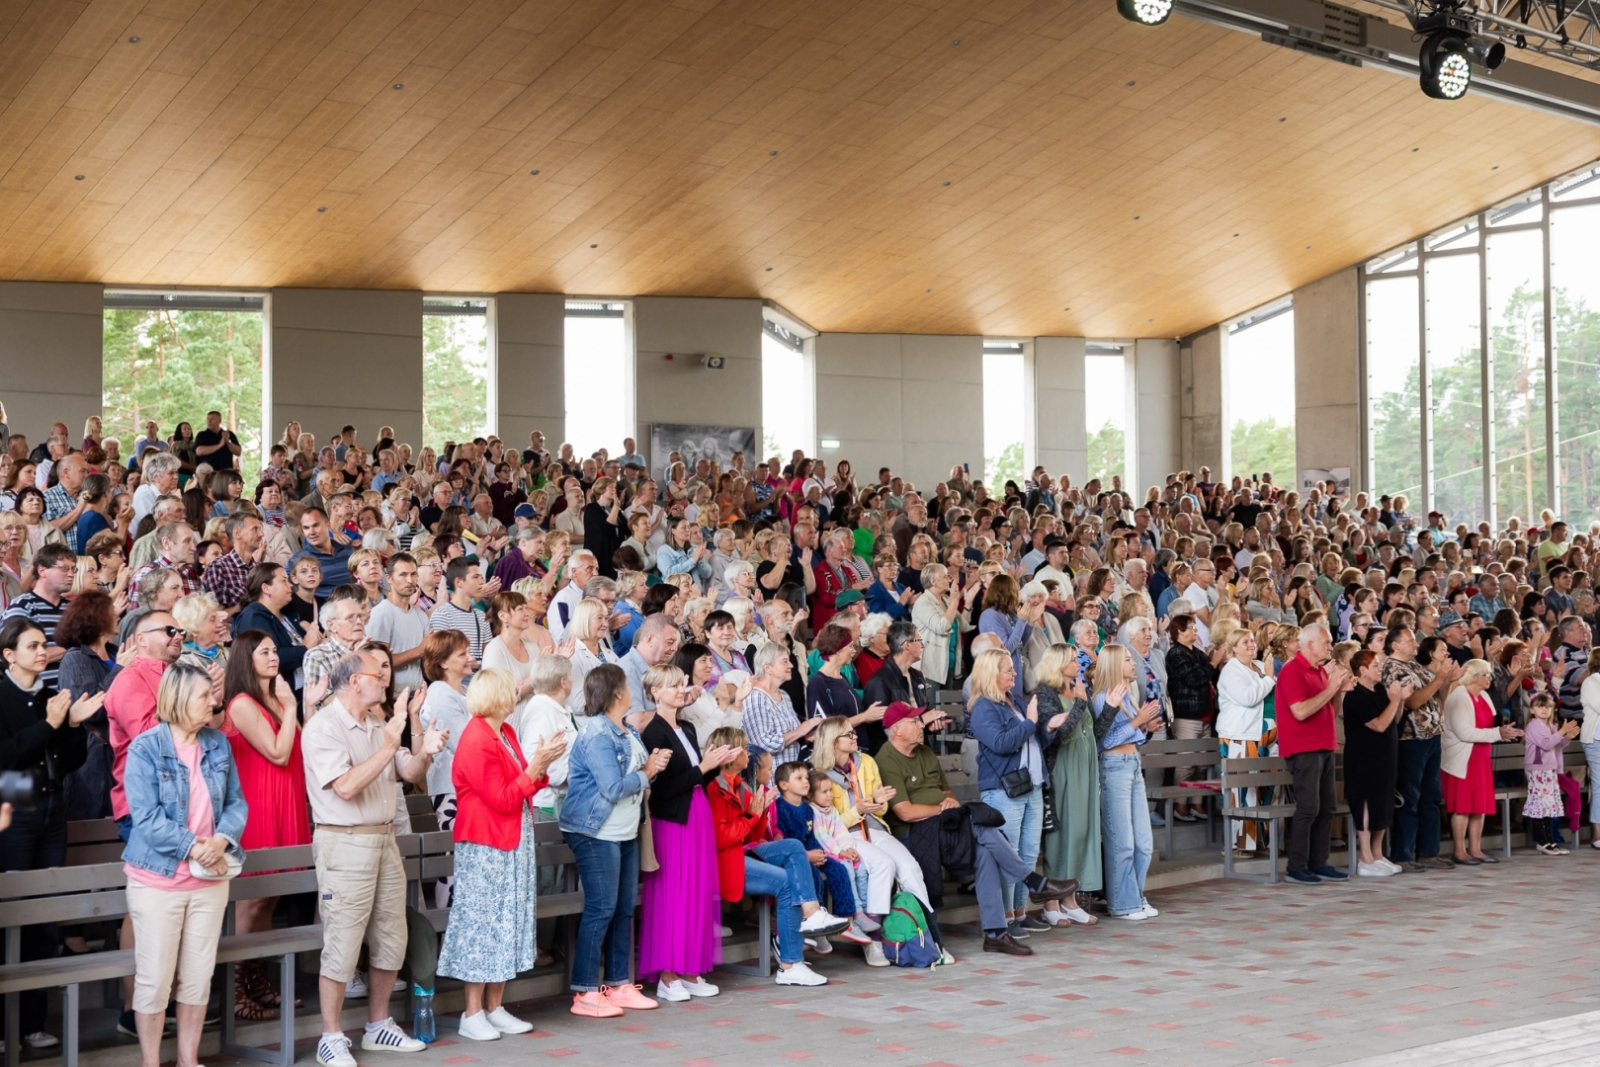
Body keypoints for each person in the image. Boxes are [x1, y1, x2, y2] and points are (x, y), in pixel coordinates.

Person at [301, 652, 445, 1067]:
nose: (384, 678)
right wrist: (388, 746)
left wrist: (427, 749)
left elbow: (410, 772)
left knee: (391, 936)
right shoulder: (323, 728)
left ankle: (378, 1025)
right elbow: (345, 787)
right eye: (375, 674)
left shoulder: (376, 723)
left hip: (384, 841)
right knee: (343, 942)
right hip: (344, 843)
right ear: (351, 682)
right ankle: (330, 1036)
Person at [876, 702, 1075, 957]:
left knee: (984, 850)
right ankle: (1033, 883)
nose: (920, 725)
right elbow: (905, 812)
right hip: (914, 833)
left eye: (919, 720)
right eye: (914, 721)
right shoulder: (887, 758)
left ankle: (996, 934)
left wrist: (948, 802)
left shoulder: (924, 752)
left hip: (943, 826)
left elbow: (946, 791)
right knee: (980, 826)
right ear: (896, 730)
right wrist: (942, 810)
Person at [121, 663, 247, 1067]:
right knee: (156, 979)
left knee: (197, 977)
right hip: (158, 880)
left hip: (210, 878)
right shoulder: (145, 748)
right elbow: (146, 818)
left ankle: (189, 1060)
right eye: (203, 695)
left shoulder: (216, 743)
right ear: (176, 700)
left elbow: (236, 803)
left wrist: (222, 839)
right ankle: (151, 1062)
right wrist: (195, 846)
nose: (212, 701)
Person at [436, 669, 568, 1041]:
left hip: (511, 840)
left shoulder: (505, 732)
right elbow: (503, 798)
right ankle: (472, 1012)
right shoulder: (477, 738)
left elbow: (523, 784)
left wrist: (541, 763)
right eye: (511, 688)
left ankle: (495, 1007)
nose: (517, 691)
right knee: (482, 924)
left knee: (507, 922)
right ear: (496, 695)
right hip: (485, 843)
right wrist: (536, 765)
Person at [0, 616, 99, 1051]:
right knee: (11, 918)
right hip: (13, 804)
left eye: (44, 644)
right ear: (9, 655)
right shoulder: (3, 694)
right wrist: (52, 724)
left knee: (44, 916)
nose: (43, 652)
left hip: (52, 805)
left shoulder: (48, 696)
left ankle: (32, 1023)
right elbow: (7, 757)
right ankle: (3, 1029)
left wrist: (73, 725)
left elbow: (71, 759)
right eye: (32, 645)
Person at [558, 664, 672, 1017]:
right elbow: (611, 788)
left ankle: (620, 984)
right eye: (626, 684)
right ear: (617, 693)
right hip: (596, 832)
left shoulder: (625, 730)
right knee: (601, 908)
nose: (631, 689)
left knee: (624, 909)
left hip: (624, 830)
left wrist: (649, 763)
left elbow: (631, 773)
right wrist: (648, 773)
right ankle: (586, 991)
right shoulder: (596, 733)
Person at [222, 629, 312, 1018]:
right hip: (258, 804)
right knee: (253, 899)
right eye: (265, 652)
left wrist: (292, 708)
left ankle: (257, 982)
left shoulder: (276, 697)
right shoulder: (242, 703)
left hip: (286, 799)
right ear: (246, 658)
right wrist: (292, 709)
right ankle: (235, 989)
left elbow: (303, 747)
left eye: (276, 651)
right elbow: (277, 753)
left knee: (271, 899)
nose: (274, 657)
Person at [708, 728, 845, 983]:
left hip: (744, 852)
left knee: (793, 846)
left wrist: (759, 815)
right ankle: (791, 964)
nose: (749, 753)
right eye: (744, 748)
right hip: (724, 861)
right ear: (729, 752)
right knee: (787, 882)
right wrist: (753, 816)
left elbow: (753, 835)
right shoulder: (714, 788)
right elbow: (720, 838)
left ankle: (811, 914)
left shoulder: (740, 785)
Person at [636, 663, 739, 1002]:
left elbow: (696, 778)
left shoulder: (688, 728)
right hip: (672, 820)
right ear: (655, 693)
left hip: (696, 814)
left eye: (682, 683)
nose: (682, 689)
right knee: (671, 896)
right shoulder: (653, 731)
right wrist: (703, 768)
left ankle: (690, 969)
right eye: (673, 685)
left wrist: (715, 764)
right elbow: (663, 789)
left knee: (695, 892)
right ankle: (667, 974)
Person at [967, 647, 1063, 938]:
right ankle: (1006, 917)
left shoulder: (1014, 700)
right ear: (990, 674)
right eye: (1008, 669)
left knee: (1027, 854)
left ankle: (1020, 913)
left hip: (1031, 785)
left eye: (1013, 668)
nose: (1014, 673)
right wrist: (1031, 723)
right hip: (1003, 791)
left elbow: (1033, 742)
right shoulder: (984, 706)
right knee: (1009, 855)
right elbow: (1001, 743)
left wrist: (1047, 729)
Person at [1273, 622, 1353, 885]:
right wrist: (1331, 688)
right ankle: (1297, 867)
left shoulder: (1319, 670)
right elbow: (1300, 711)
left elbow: (1330, 706)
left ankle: (1319, 862)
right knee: (1308, 807)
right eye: (1327, 642)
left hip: (1324, 743)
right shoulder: (1292, 671)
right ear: (1309, 645)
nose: (1331, 646)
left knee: (1327, 807)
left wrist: (1338, 690)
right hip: (1303, 746)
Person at [1090, 644, 1164, 919]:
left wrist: (1145, 726)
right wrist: (1137, 723)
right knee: (1122, 842)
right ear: (1112, 665)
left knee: (1143, 843)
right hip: (1114, 769)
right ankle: (1122, 903)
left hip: (1132, 765)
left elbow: (1129, 735)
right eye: (1127, 659)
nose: (1133, 663)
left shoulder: (1127, 696)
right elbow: (1104, 741)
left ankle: (1134, 894)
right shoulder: (1102, 699)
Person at [1033, 643, 1100, 926]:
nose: (1078, 665)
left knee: (1081, 832)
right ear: (1058, 664)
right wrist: (1081, 704)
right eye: (1073, 660)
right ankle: (1051, 901)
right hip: (1060, 769)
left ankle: (1070, 899)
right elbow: (1059, 736)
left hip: (1084, 767)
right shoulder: (1045, 694)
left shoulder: (1077, 688)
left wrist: (1106, 707)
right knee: (1062, 837)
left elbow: (1094, 730)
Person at [1441, 659, 1523, 865]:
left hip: (1481, 757)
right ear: (1473, 676)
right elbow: (1464, 732)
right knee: (1463, 806)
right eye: (1486, 674)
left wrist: (1506, 731)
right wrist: (1497, 733)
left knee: (1480, 805)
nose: (1490, 678)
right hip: (1463, 759)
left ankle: (1476, 848)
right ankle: (1459, 850)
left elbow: (1493, 723)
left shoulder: (1484, 695)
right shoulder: (1458, 697)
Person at [1341, 649, 1409, 877]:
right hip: (1363, 759)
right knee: (1366, 804)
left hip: (1385, 756)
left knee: (1383, 803)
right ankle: (1365, 858)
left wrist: (1400, 702)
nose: (1381, 670)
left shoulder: (1380, 690)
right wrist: (1396, 700)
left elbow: (1394, 719)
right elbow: (1379, 724)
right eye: (1376, 666)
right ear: (1362, 670)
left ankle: (1378, 854)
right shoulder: (1355, 695)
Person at [420, 629, 474, 905]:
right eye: (462, 654)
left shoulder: (460, 691)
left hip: (465, 787)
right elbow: (469, 742)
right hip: (452, 788)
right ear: (442, 662)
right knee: (454, 864)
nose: (470, 658)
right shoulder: (440, 694)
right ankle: (447, 933)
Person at [1215, 629, 1278, 856]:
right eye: (1245, 642)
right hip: (1240, 735)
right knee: (1243, 790)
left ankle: (1261, 841)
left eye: (1252, 640)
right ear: (1234, 647)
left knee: (1266, 788)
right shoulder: (1231, 670)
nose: (1251, 644)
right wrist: (1270, 678)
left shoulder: (1261, 666)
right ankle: (1239, 844)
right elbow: (1248, 698)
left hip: (1265, 734)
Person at [1163, 613, 1216, 821]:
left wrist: (1211, 663)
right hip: (1187, 716)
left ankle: (1196, 802)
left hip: (1205, 714)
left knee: (1201, 764)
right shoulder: (1176, 653)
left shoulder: (1198, 652)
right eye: (1191, 627)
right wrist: (1214, 662)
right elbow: (1195, 679)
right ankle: (1179, 804)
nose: (1195, 630)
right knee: (1185, 763)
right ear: (1179, 632)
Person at [1523, 692, 1580, 855]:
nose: (1544, 710)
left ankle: (1550, 841)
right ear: (1532, 710)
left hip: (1549, 771)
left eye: (1547, 707)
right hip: (1538, 770)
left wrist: (1567, 737)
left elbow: (1557, 745)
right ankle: (1542, 841)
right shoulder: (1533, 725)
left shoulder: (1551, 726)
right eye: (1540, 706)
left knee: (1548, 806)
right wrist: (1562, 731)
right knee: (1540, 805)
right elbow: (1546, 744)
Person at [367, 553, 428, 692]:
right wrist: (419, 651)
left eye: (413, 574)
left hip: (418, 695)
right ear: (389, 578)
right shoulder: (380, 614)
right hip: (388, 697)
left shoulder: (421, 616)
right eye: (403, 575)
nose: (410, 580)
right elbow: (377, 664)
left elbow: (426, 662)